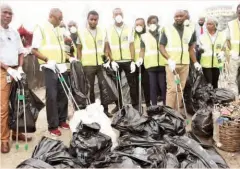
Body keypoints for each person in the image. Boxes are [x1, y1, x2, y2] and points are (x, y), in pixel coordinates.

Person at [32, 8, 74, 136]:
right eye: (59, 18)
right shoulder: (41, 27)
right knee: (52, 96)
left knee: (63, 94)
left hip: (61, 67)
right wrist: (47, 60)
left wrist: (69, 57)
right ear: (51, 16)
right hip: (50, 67)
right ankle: (53, 125)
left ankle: (62, 120)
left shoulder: (59, 29)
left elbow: (61, 49)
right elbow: (34, 50)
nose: (61, 20)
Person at [0, 4, 32, 153]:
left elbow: (21, 52)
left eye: (10, 13)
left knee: (18, 103)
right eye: (4, 12)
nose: (7, 15)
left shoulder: (14, 32)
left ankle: (16, 133)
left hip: (15, 71)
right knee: (4, 107)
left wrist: (19, 67)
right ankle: (4, 139)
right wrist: (8, 69)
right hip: (3, 72)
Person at [160, 10, 201, 113]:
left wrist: (195, 62)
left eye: (180, 16)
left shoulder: (190, 30)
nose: (178, 18)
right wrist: (169, 59)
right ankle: (169, 114)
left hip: (185, 64)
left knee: (180, 89)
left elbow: (191, 48)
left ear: (185, 17)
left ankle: (177, 112)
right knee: (172, 89)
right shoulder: (167, 29)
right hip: (172, 64)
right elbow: (161, 47)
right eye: (176, 16)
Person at [76, 10, 113, 117]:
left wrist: (106, 57)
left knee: (104, 87)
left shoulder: (102, 31)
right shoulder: (81, 32)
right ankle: (93, 111)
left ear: (98, 20)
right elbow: (79, 48)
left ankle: (105, 110)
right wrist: (80, 62)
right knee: (90, 89)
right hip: (87, 65)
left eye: (95, 19)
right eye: (91, 19)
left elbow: (106, 45)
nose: (93, 21)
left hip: (101, 64)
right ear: (87, 20)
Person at [107, 8, 138, 113]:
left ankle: (135, 105)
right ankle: (119, 105)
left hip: (128, 61)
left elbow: (132, 45)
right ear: (113, 16)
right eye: (116, 14)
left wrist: (133, 60)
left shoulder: (129, 28)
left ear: (123, 15)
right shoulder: (108, 29)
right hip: (116, 62)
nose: (118, 15)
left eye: (120, 13)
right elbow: (107, 47)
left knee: (132, 84)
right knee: (117, 85)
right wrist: (111, 60)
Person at [138, 15, 167, 105]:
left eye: (154, 22)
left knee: (163, 86)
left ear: (158, 23)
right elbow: (142, 50)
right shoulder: (144, 36)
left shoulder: (163, 34)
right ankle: (154, 107)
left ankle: (166, 106)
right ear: (148, 24)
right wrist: (140, 58)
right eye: (150, 23)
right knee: (153, 87)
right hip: (151, 66)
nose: (152, 24)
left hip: (162, 64)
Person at [199, 17, 226, 89]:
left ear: (215, 25)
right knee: (209, 83)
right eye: (207, 24)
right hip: (206, 64)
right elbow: (199, 48)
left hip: (217, 62)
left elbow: (224, 47)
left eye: (210, 24)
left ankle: (215, 98)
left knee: (215, 82)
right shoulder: (202, 36)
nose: (208, 25)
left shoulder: (222, 35)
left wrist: (222, 52)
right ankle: (209, 99)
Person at [132, 17, 150, 107]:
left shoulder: (147, 35)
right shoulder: (132, 35)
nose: (138, 26)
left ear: (144, 25)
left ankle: (148, 103)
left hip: (145, 63)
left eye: (140, 25)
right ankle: (137, 105)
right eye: (137, 25)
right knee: (136, 85)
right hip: (135, 63)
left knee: (146, 84)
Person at [226, 4, 240, 96]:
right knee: (232, 78)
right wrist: (231, 52)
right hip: (235, 56)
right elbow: (228, 40)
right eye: (239, 12)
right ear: (237, 12)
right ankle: (235, 98)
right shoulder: (230, 24)